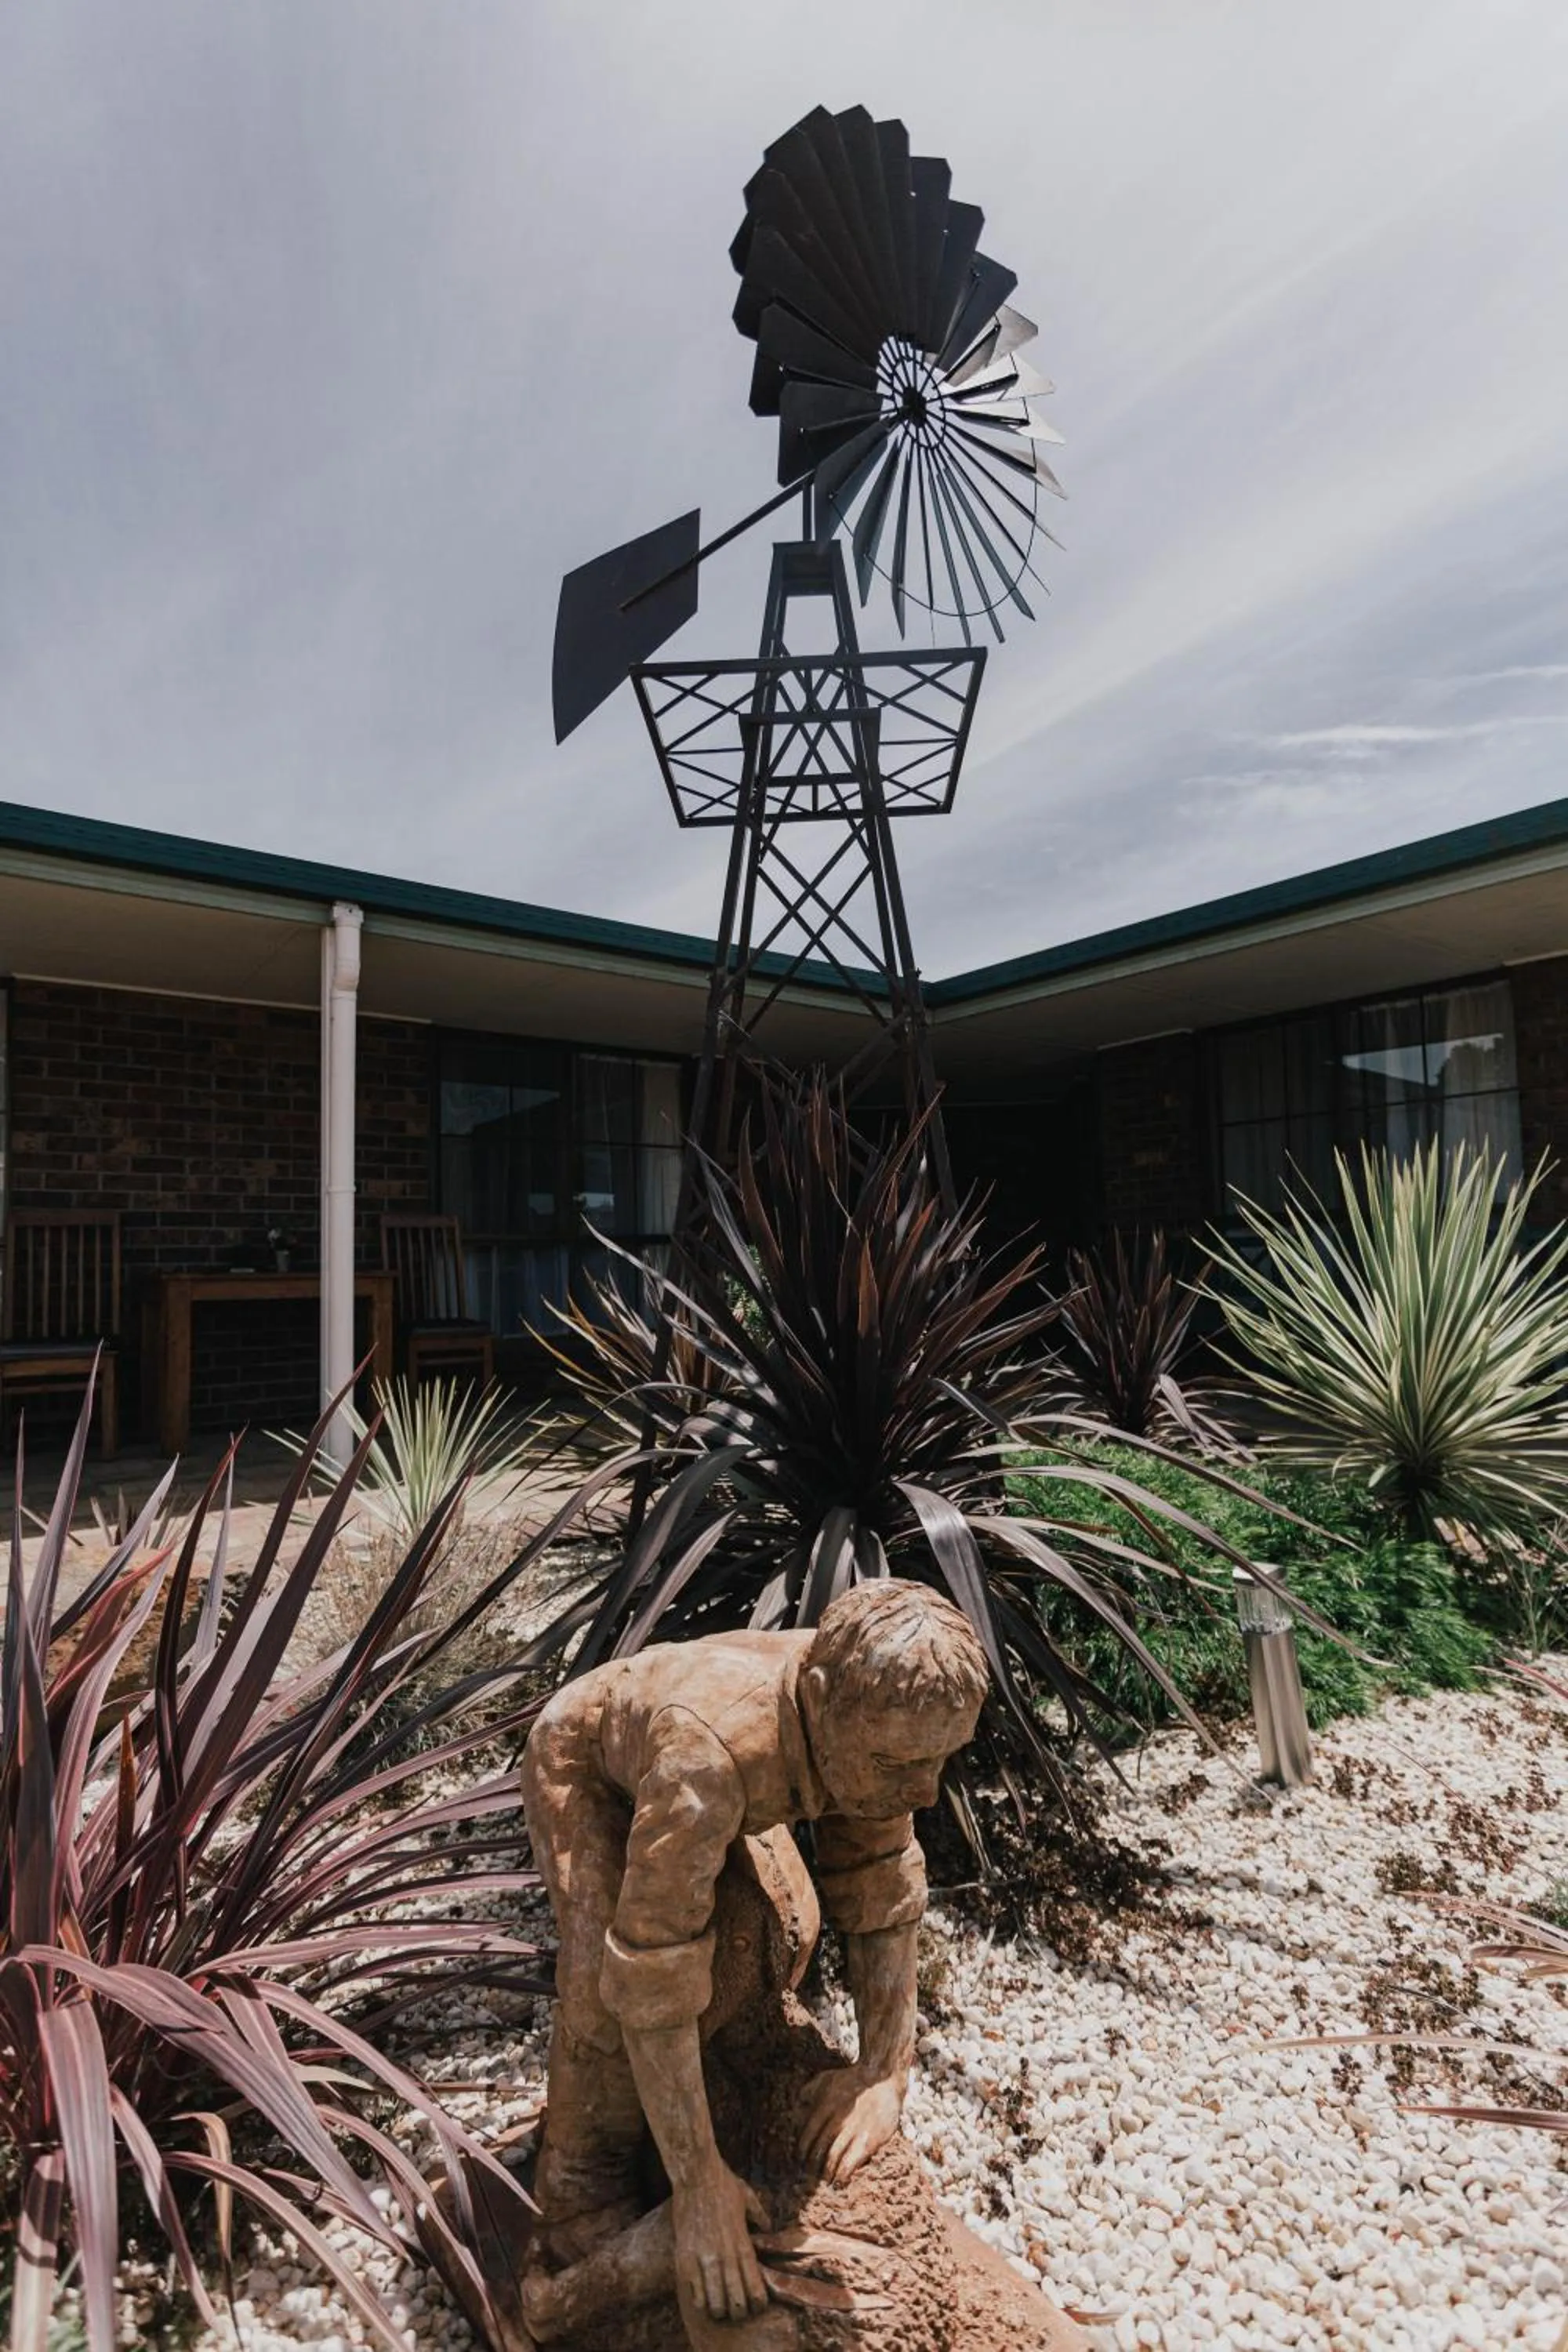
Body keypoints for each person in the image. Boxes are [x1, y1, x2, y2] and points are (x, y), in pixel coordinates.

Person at [520, 1578, 988, 2336]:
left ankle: (710, 2084)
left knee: (782, 1925)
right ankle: (580, 2199)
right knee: (603, 1994)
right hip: (586, 1767)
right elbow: (652, 1971)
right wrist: (698, 2185)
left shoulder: (875, 1720)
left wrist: (883, 2071)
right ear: (823, 1697)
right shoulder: (708, 1756)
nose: (927, 1792)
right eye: (900, 1765)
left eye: (940, 1761)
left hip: (740, 1761)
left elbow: (879, 1891)